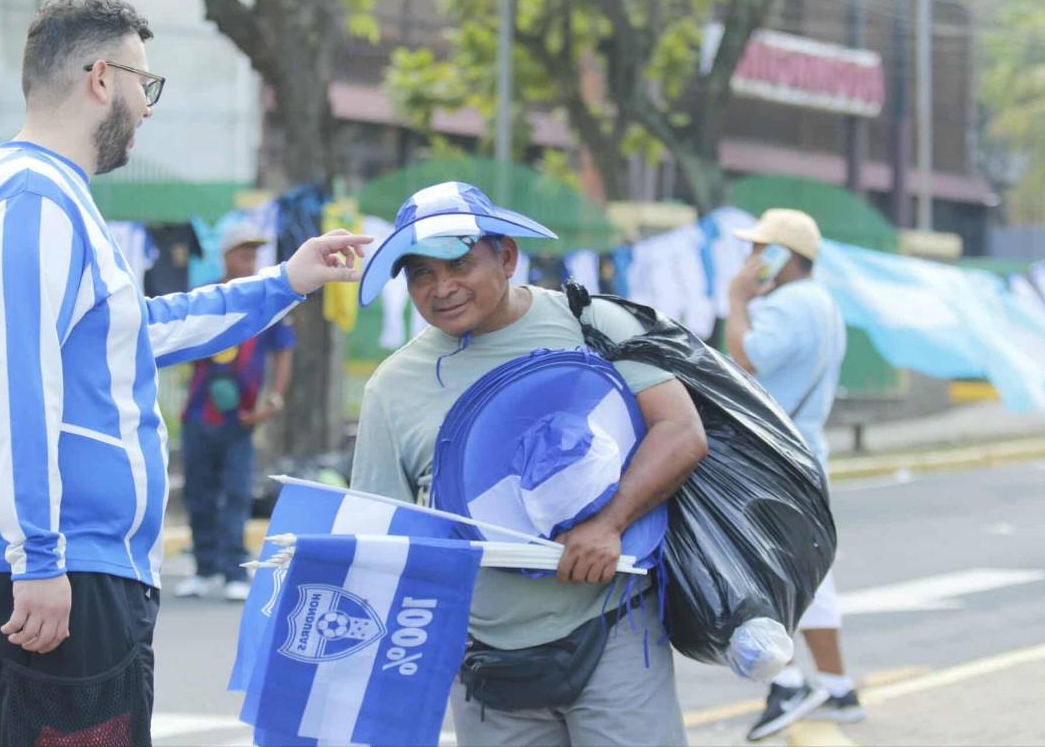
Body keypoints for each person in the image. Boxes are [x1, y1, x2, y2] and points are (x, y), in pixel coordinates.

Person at [0, 0, 369, 746]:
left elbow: (136, 333)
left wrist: (283, 284)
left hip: (82, 563)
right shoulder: (31, 204)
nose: (148, 107)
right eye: (145, 84)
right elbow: (16, 389)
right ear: (101, 78)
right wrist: (37, 559)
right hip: (49, 566)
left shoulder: (57, 202)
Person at [351, 182, 708, 747]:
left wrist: (608, 522)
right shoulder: (391, 389)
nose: (441, 288)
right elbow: (378, 540)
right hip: (485, 665)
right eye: (420, 273)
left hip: (612, 628)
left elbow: (681, 430)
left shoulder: (591, 325)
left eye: (460, 264)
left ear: (508, 256)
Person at [725, 208, 864, 740]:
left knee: (757, 572)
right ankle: (837, 685)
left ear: (781, 257)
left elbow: (749, 357)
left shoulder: (787, 304)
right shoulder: (822, 303)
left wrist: (739, 300)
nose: (750, 260)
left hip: (773, 463)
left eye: (759, 250)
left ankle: (787, 685)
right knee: (813, 575)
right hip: (807, 454)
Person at [175, 222, 295, 602]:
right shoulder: (205, 295)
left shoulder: (265, 298)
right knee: (199, 494)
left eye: (255, 254)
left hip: (242, 419)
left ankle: (234, 571)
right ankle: (204, 568)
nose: (250, 260)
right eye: (243, 253)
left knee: (237, 493)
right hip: (197, 416)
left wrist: (273, 400)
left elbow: (283, 350)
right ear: (226, 255)